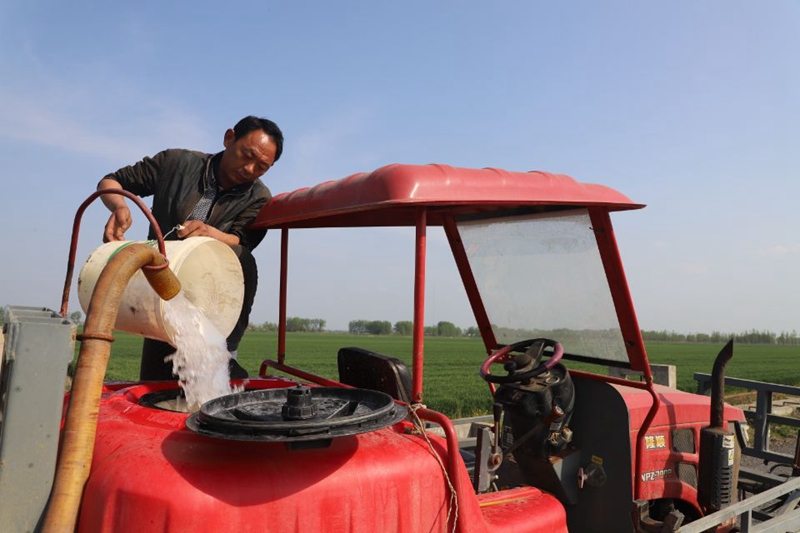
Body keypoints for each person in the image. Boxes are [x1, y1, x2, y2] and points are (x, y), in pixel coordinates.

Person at [98, 115, 284, 380]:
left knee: (211, 378)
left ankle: (225, 355)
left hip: (207, 295)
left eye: (261, 167)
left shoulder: (258, 197)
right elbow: (111, 182)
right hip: (160, 281)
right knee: (156, 381)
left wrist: (211, 234)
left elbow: (242, 240)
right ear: (229, 138)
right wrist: (119, 206)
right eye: (247, 155)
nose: (249, 168)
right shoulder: (176, 163)